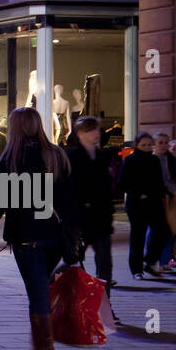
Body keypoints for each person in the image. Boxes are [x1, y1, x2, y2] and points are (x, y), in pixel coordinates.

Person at [0, 107, 78, 350]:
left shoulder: (11, 160)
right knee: (43, 293)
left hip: (27, 239)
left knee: (38, 296)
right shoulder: (56, 155)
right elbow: (70, 202)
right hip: (55, 238)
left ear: (14, 129)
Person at [67, 115, 117, 301]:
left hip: (101, 218)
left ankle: (104, 306)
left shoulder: (104, 156)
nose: (97, 133)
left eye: (97, 129)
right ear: (80, 134)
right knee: (73, 260)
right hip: (79, 219)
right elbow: (69, 188)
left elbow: (107, 187)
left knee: (105, 264)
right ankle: (66, 297)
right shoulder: (72, 157)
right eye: (91, 130)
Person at [119, 132, 167, 278]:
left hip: (154, 203)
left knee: (161, 231)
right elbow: (123, 183)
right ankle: (136, 269)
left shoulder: (154, 160)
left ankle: (150, 261)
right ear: (137, 145)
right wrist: (138, 194)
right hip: (136, 205)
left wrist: (160, 193)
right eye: (143, 145)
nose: (146, 148)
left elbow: (159, 181)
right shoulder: (130, 160)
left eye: (148, 145)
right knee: (137, 237)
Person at [153, 134, 176, 271]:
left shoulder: (172, 160)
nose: (164, 145)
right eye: (160, 142)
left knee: (170, 231)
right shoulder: (151, 160)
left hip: (171, 198)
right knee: (154, 232)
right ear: (155, 144)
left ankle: (164, 262)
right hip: (155, 199)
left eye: (166, 142)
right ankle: (152, 260)